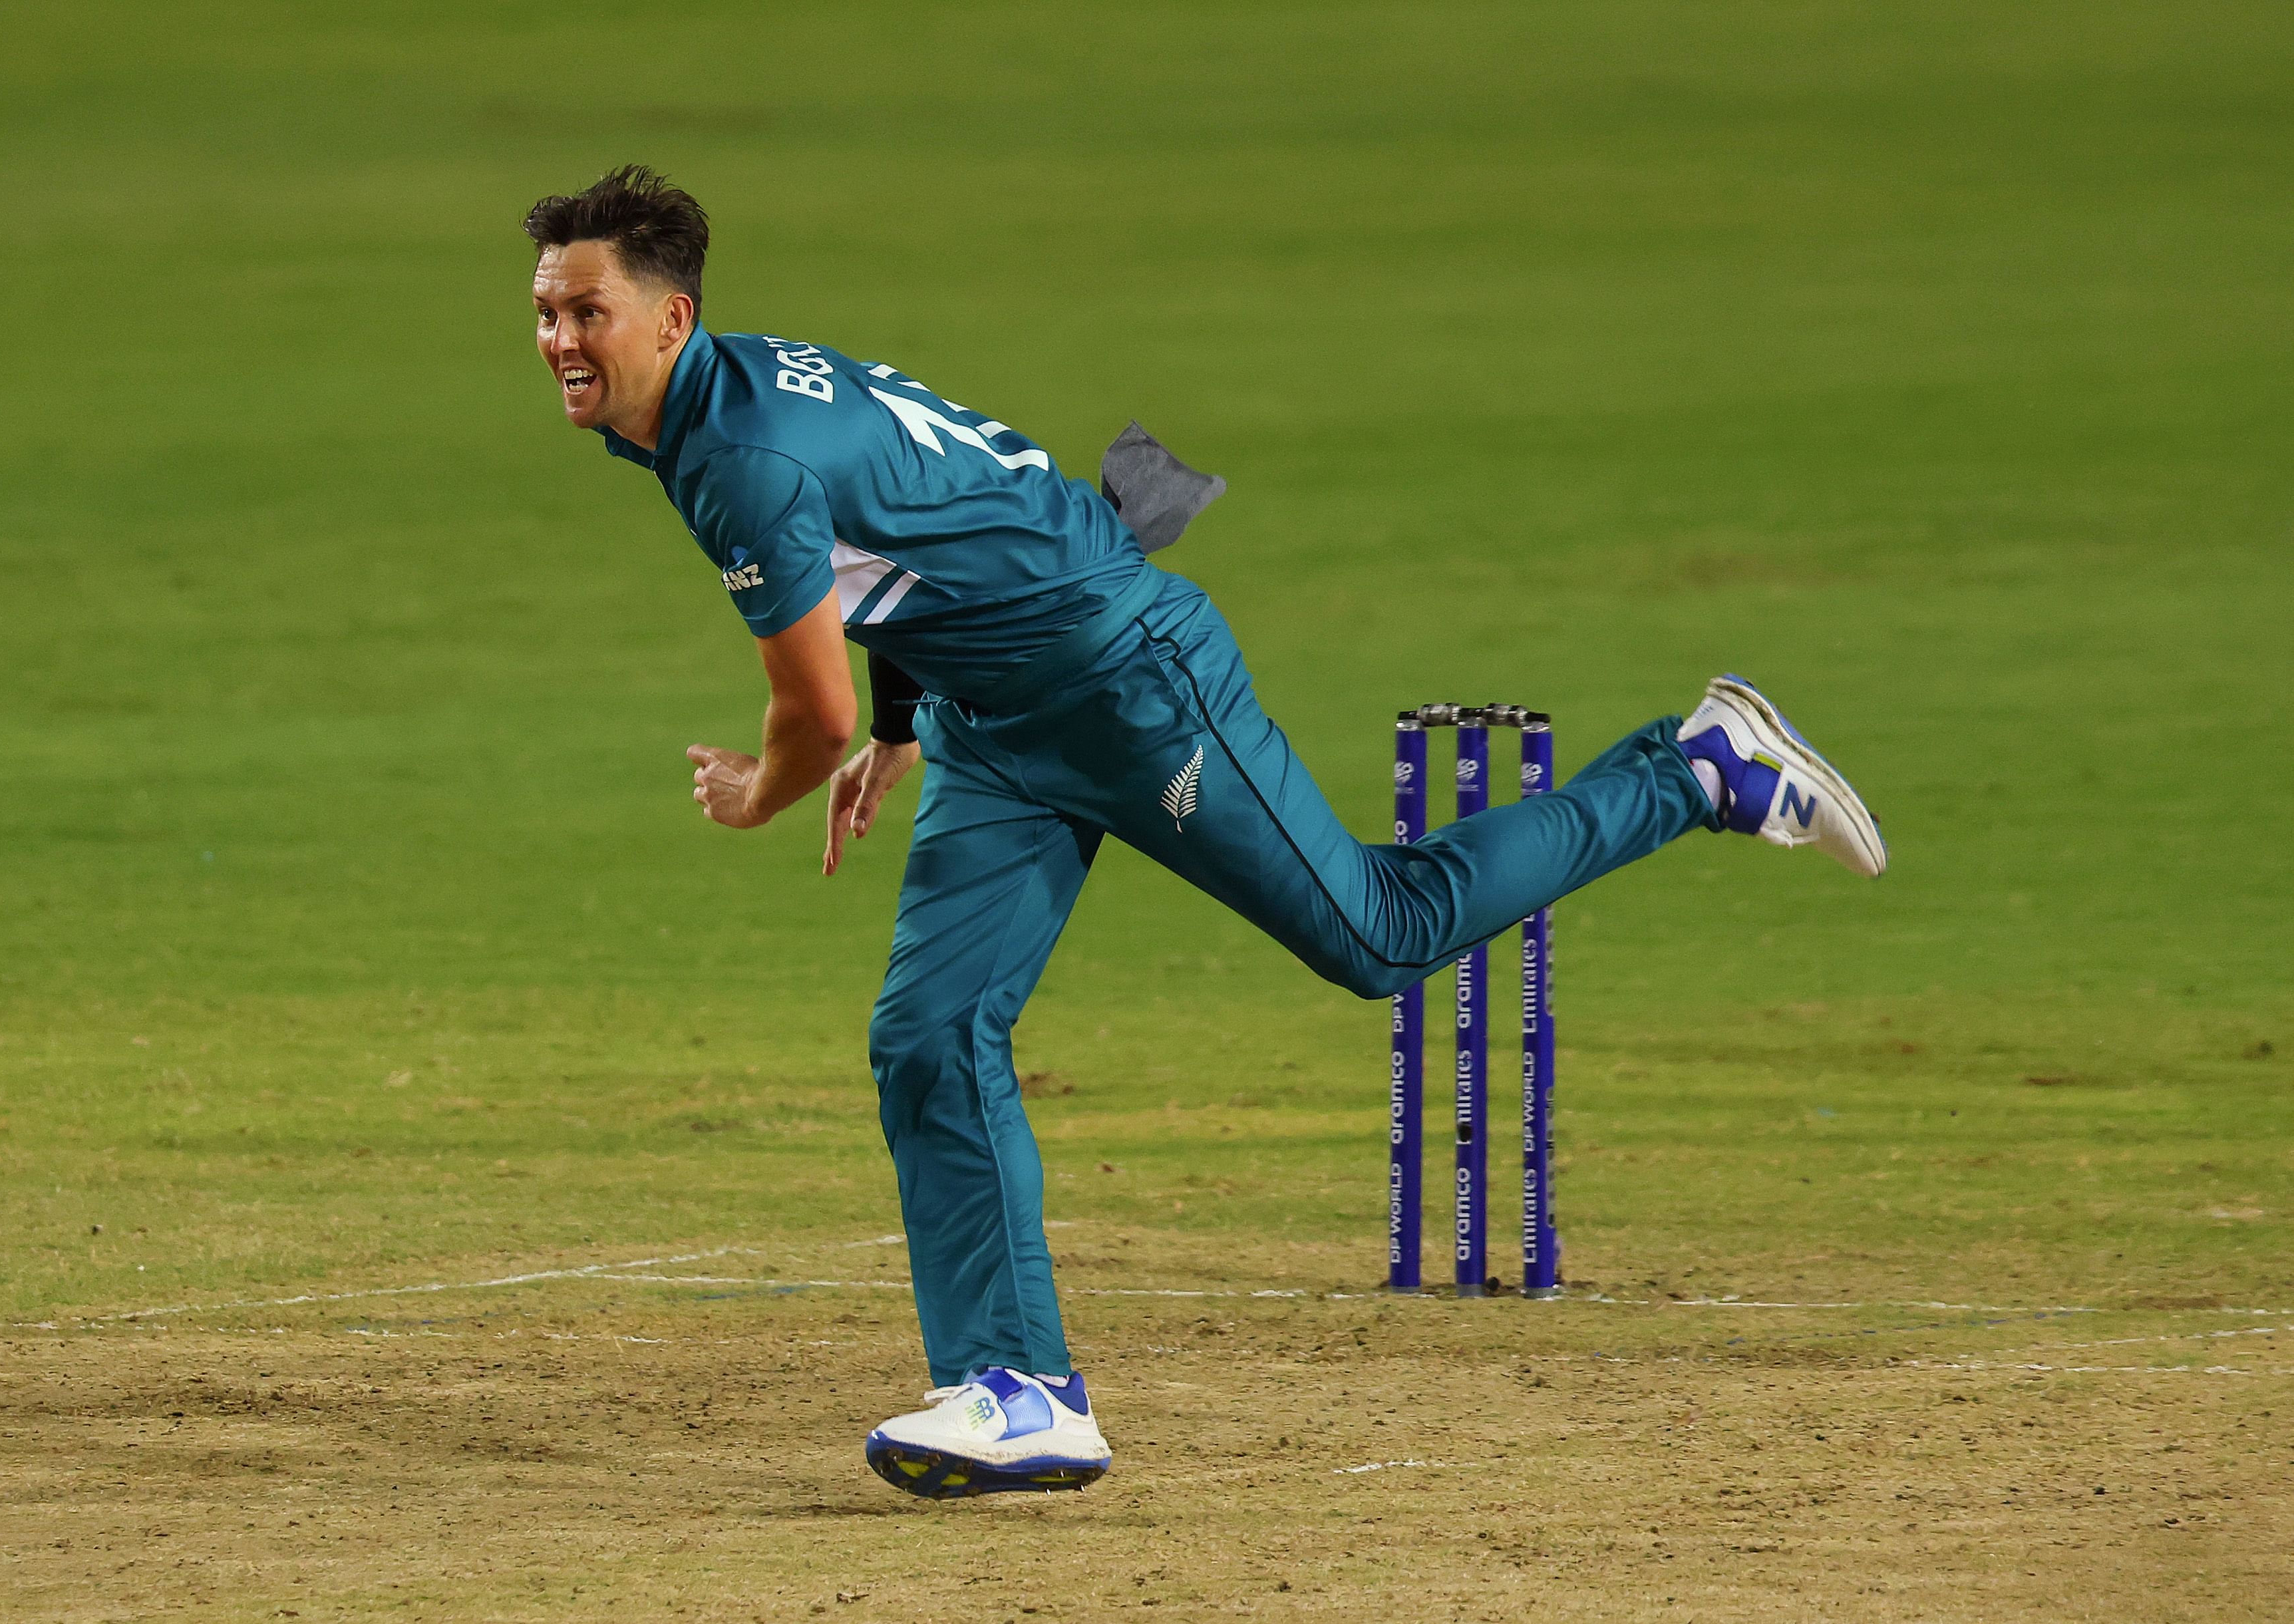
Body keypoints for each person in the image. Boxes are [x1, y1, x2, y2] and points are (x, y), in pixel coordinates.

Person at [522, 166, 1886, 1501]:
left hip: (1126, 682)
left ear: (672, 319)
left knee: (1381, 935)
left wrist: (764, 789)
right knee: (929, 1034)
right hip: (995, 717)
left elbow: (805, 710)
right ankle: (1023, 1391)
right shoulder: (732, 396)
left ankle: (1697, 769)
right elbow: (911, 530)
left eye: (588, 312)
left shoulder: (735, 455)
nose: (562, 340)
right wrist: (903, 719)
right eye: (545, 313)